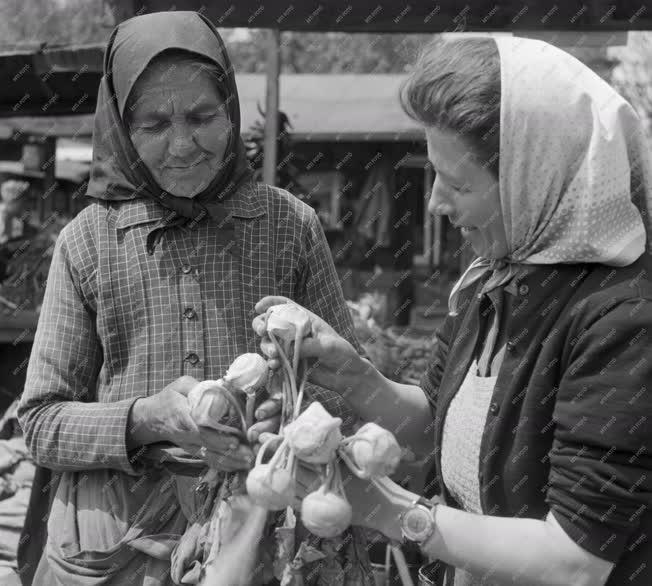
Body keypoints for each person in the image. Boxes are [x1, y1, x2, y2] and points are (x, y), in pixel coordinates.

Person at [254, 36, 652, 586]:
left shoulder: (623, 322)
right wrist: (354, 375)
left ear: (534, 185)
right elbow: (432, 423)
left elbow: (575, 560)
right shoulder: (495, 281)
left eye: (458, 183)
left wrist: (390, 511)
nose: (436, 202)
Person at [17, 11, 371, 586]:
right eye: (154, 124)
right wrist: (145, 419)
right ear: (121, 132)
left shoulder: (289, 227)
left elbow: (351, 392)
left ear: (230, 111)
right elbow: (40, 422)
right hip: (113, 544)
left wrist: (285, 412)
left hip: (260, 528)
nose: (182, 145)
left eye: (203, 116)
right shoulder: (87, 242)